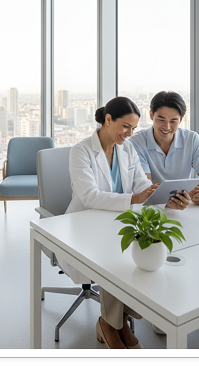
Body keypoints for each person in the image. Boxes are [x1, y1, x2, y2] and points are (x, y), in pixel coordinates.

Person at [129, 91, 199, 333]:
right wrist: (167, 203)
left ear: (182, 119)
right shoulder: (138, 143)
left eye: (173, 121)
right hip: (152, 210)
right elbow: (145, 186)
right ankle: (164, 311)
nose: (167, 126)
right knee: (163, 259)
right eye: (161, 119)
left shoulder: (191, 139)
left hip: (185, 209)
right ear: (151, 115)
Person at [65, 96, 158, 349]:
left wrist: (154, 192)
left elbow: (140, 183)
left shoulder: (127, 149)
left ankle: (118, 321)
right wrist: (133, 198)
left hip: (118, 222)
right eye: (125, 126)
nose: (129, 134)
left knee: (144, 250)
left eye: (134, 129)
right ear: (108, 120)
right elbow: (89, 196)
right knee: (115, 259)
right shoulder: (81, 151)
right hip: (85, 225)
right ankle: (112, 324)